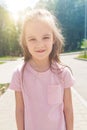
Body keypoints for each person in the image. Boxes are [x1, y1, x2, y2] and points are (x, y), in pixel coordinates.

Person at [9, 8, 75, 130]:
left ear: (53, 38)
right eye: (32, 39)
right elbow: (19, 109)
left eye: (45, 37)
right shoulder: (19, 74)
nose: (39, 44)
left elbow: (68, 109)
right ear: (25, 42)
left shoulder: (63, 74)